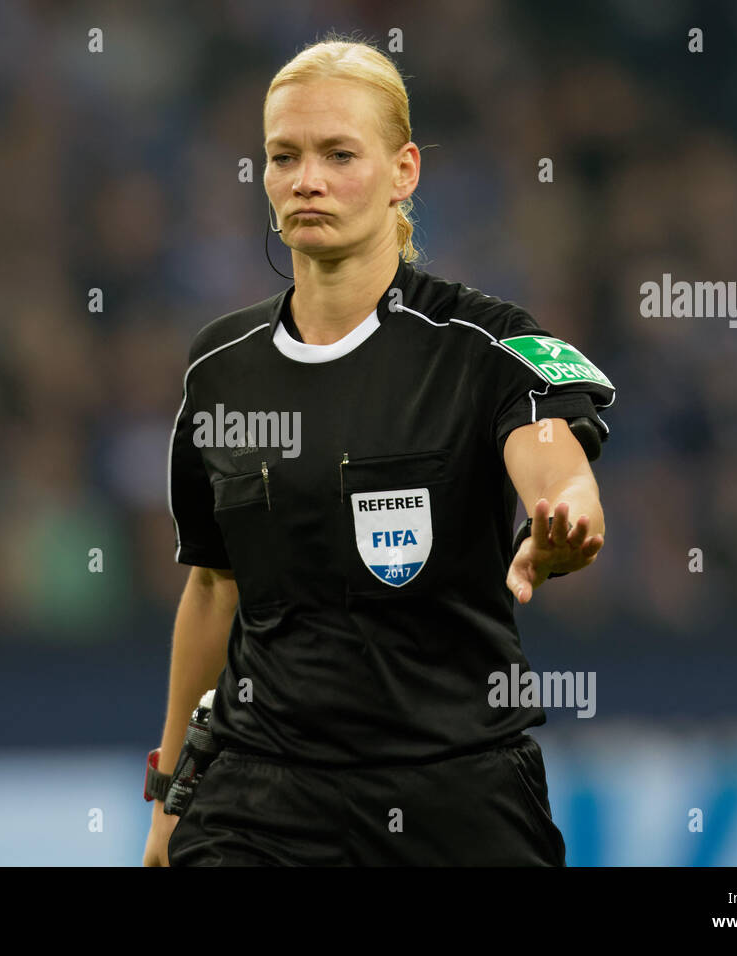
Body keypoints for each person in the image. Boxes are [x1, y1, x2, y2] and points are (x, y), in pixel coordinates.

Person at [143, 37, 614, 866]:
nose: (306, 180)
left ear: (404, 172)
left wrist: (565, 515)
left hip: (456, 794)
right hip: (260, 798)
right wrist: (168, 800)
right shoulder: (221, 370)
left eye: (337, 154)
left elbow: (553, 457)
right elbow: (214, 586)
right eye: (283, 156)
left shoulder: (485, 346)